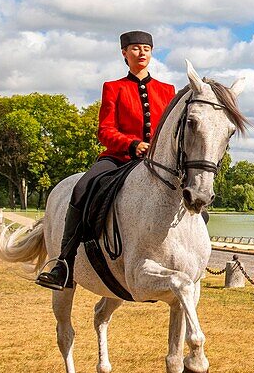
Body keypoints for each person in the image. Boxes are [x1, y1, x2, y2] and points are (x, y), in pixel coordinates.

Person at [36, 31, 176, 290]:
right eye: (135, 48)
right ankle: (63, 265)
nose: (141, 52)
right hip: (119, 158)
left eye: (146, 48)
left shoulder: (167, 91)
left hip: (156, 163)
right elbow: (105, 131)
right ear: (124, 53)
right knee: (81, 189)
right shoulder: (114, 87)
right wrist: (133, 144)